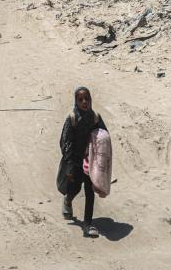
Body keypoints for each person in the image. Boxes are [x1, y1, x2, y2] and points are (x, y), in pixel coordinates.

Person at [59, 86, 108, 238]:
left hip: (90, 160)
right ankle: (67, 200)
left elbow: (104, 135)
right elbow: (65, 142)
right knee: (74, 187)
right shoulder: (72, 118)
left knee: (89, 190)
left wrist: (102, 159)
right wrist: (69, 165)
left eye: (87, 98)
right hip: (74, 160)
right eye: (80, 99)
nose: (84, 102)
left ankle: (87, 224)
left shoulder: (95, 117)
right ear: (76, 101)